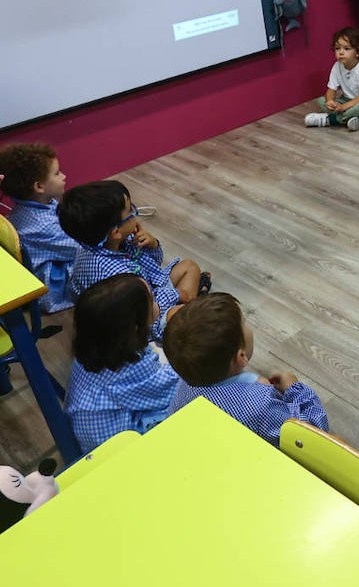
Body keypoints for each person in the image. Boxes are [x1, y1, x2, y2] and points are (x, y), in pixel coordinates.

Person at [164, 292, 328, 444]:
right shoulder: (261, 405)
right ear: (241, 357)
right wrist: (294, 389)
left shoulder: (187, 383)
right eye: (244, 322)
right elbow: (311, 434)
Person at [59, 180, 205, 339]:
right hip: (137, 322)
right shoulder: (119, 277)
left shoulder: (99, 242)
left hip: (145, 293)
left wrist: (153, 244)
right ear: (115, 232)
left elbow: (153, 266)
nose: (135, 211)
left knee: (189, 266)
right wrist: (177, 294)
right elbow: (147, 312)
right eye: (130, 210)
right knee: (188, 318)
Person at [64, 273, 180, 453]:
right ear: (134, 327)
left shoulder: (94, 346)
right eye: (150, 299)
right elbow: (174, 386)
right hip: (121, 450)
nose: (155, 302)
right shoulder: (133, 365)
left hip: (95, 434)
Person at [0, 142, 76, 312]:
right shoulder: (42, 227)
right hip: (51, 290)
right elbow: (82, 247)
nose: (64, 176)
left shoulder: (28, 206)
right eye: (57, 173)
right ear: (39, 186)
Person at [304, 26, 359, 132]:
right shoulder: (337, 66)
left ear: (358, 52)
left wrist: (342, 107)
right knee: (321, 100)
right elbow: (331, 89)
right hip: (346, 99)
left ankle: (330, 120)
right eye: (337, 48)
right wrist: (330, 101)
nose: (341, 52)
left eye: (346, 49)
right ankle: (356, 119)